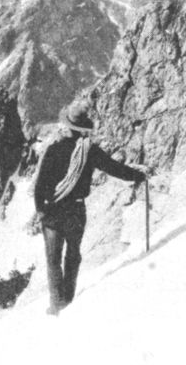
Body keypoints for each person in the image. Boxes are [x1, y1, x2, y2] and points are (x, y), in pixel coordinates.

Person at [34, 100, 146, 315]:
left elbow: (41, 183)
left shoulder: (54, 148)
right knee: (73, 255)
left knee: (53, 259)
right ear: (84, 128)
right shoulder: (89, 151)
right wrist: (138, 176)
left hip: (52, 211)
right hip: (75, 210)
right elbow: (114, 168)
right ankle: (69, 298)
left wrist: (40, 209)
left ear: (67, 126)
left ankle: (57, 305)